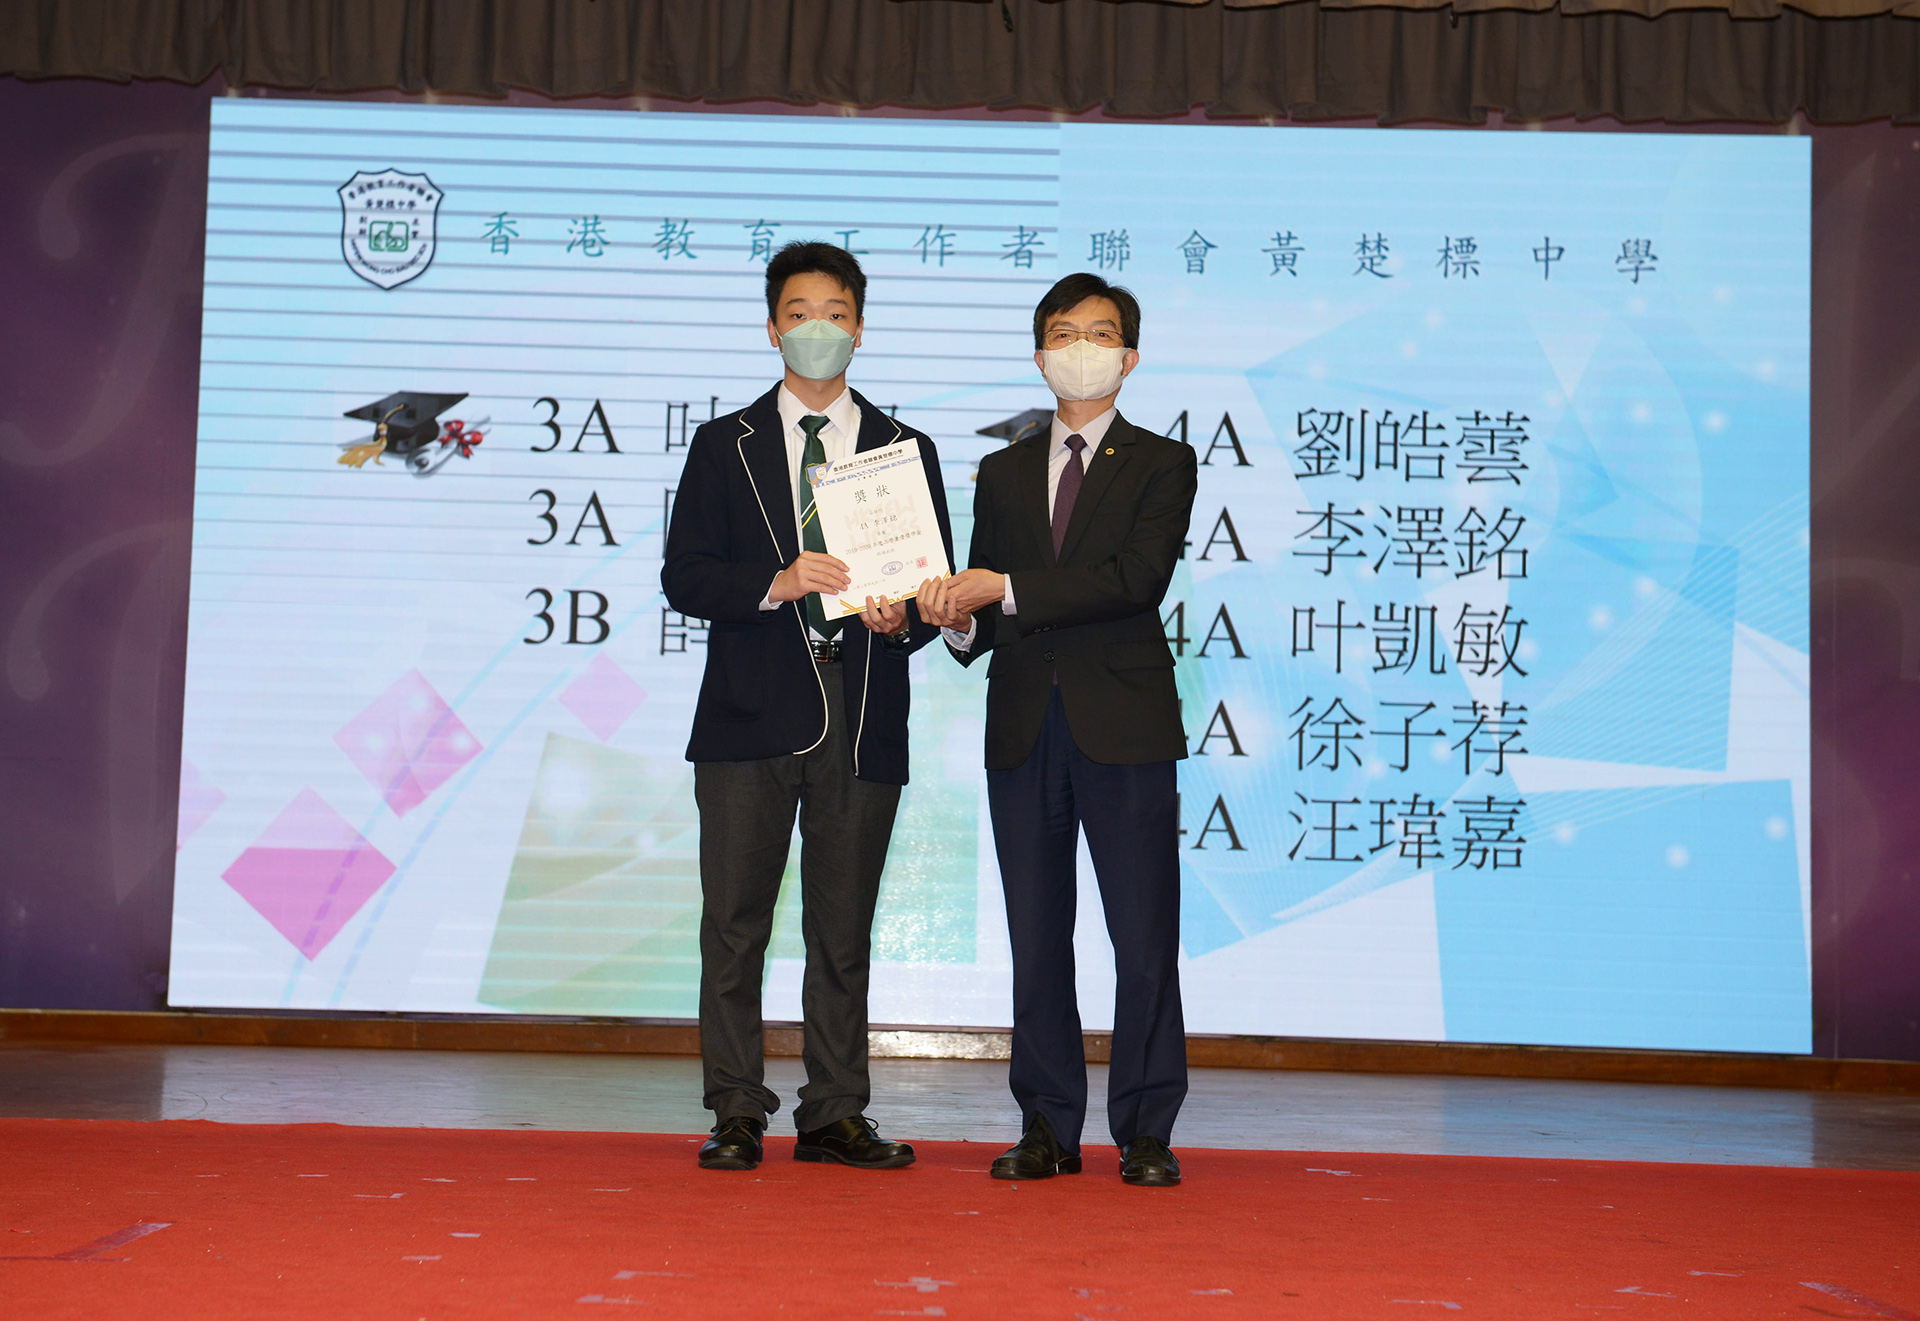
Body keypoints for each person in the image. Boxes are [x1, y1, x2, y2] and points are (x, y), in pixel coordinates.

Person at [662, 241, 954, 1173]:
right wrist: (777, 580)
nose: (816, 327)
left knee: (842, 930)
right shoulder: (725, 444)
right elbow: (684, 576)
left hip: (860, 717)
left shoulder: (905, 451)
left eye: (834, 312)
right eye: (798, 313)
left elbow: (933, 595)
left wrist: (902, 616)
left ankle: (834, 1110)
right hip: (746, 718)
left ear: (860, 328)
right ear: (771, 328)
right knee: (733, 924)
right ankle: (735, 1108)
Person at [917, 272, 1196, 1188]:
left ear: (1131, 356)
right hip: (1025, 724)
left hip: (1125, 724)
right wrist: (955, 618)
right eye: (1064, 333)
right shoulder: (1002, 471)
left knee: (1142, 936)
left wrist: (1004, 588)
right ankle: (1046, 1123)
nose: (1083, 348)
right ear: (1039, 356)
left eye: (1101, 333)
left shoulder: (1163, 462)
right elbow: (990, 606)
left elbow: (1134, 580)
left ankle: (1146, 1128)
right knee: (1037, 934)